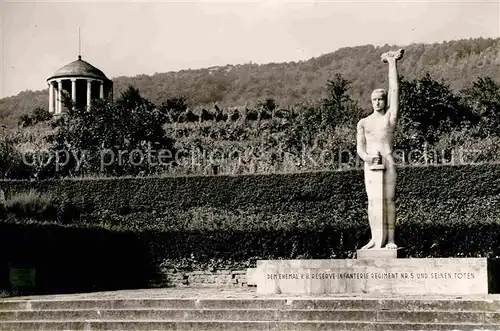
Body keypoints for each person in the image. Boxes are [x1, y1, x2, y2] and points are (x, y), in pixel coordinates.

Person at [356, 49, 404, 250]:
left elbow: (395, 90)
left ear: (385, 101)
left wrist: (392, 63)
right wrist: (367, 158)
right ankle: (375, 239)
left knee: (389, 200)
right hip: (371, 165)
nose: (377, 102)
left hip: (388, 160)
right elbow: (360, 147)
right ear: (371, 101)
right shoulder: (364, 122)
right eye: (374, 100)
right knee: (372, 202)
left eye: (380, 99)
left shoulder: (389, 119)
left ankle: (390, 240)